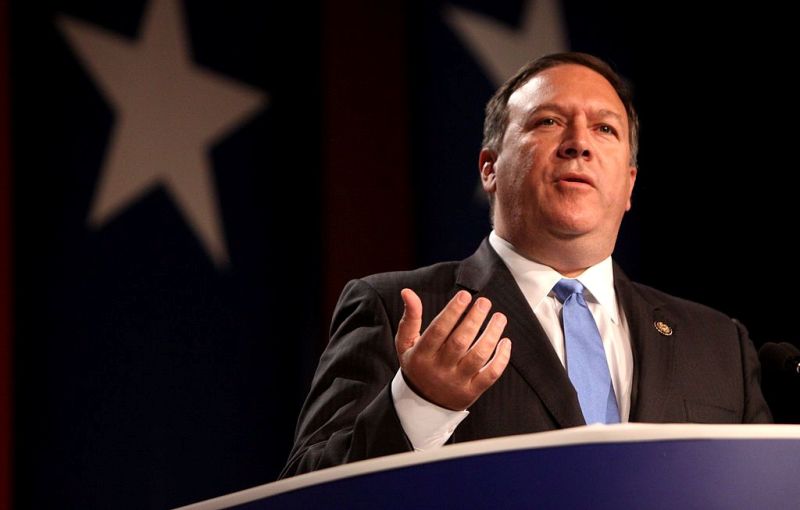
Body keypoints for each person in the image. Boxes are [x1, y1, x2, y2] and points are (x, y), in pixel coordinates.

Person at [280, 52, 772, 478]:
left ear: (629, 184)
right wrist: (420, 403)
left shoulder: (718, 345)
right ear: (489, 168)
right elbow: (308, 490)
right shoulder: (399, 309)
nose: (579, 143)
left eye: (604, 128)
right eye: (548, 122)